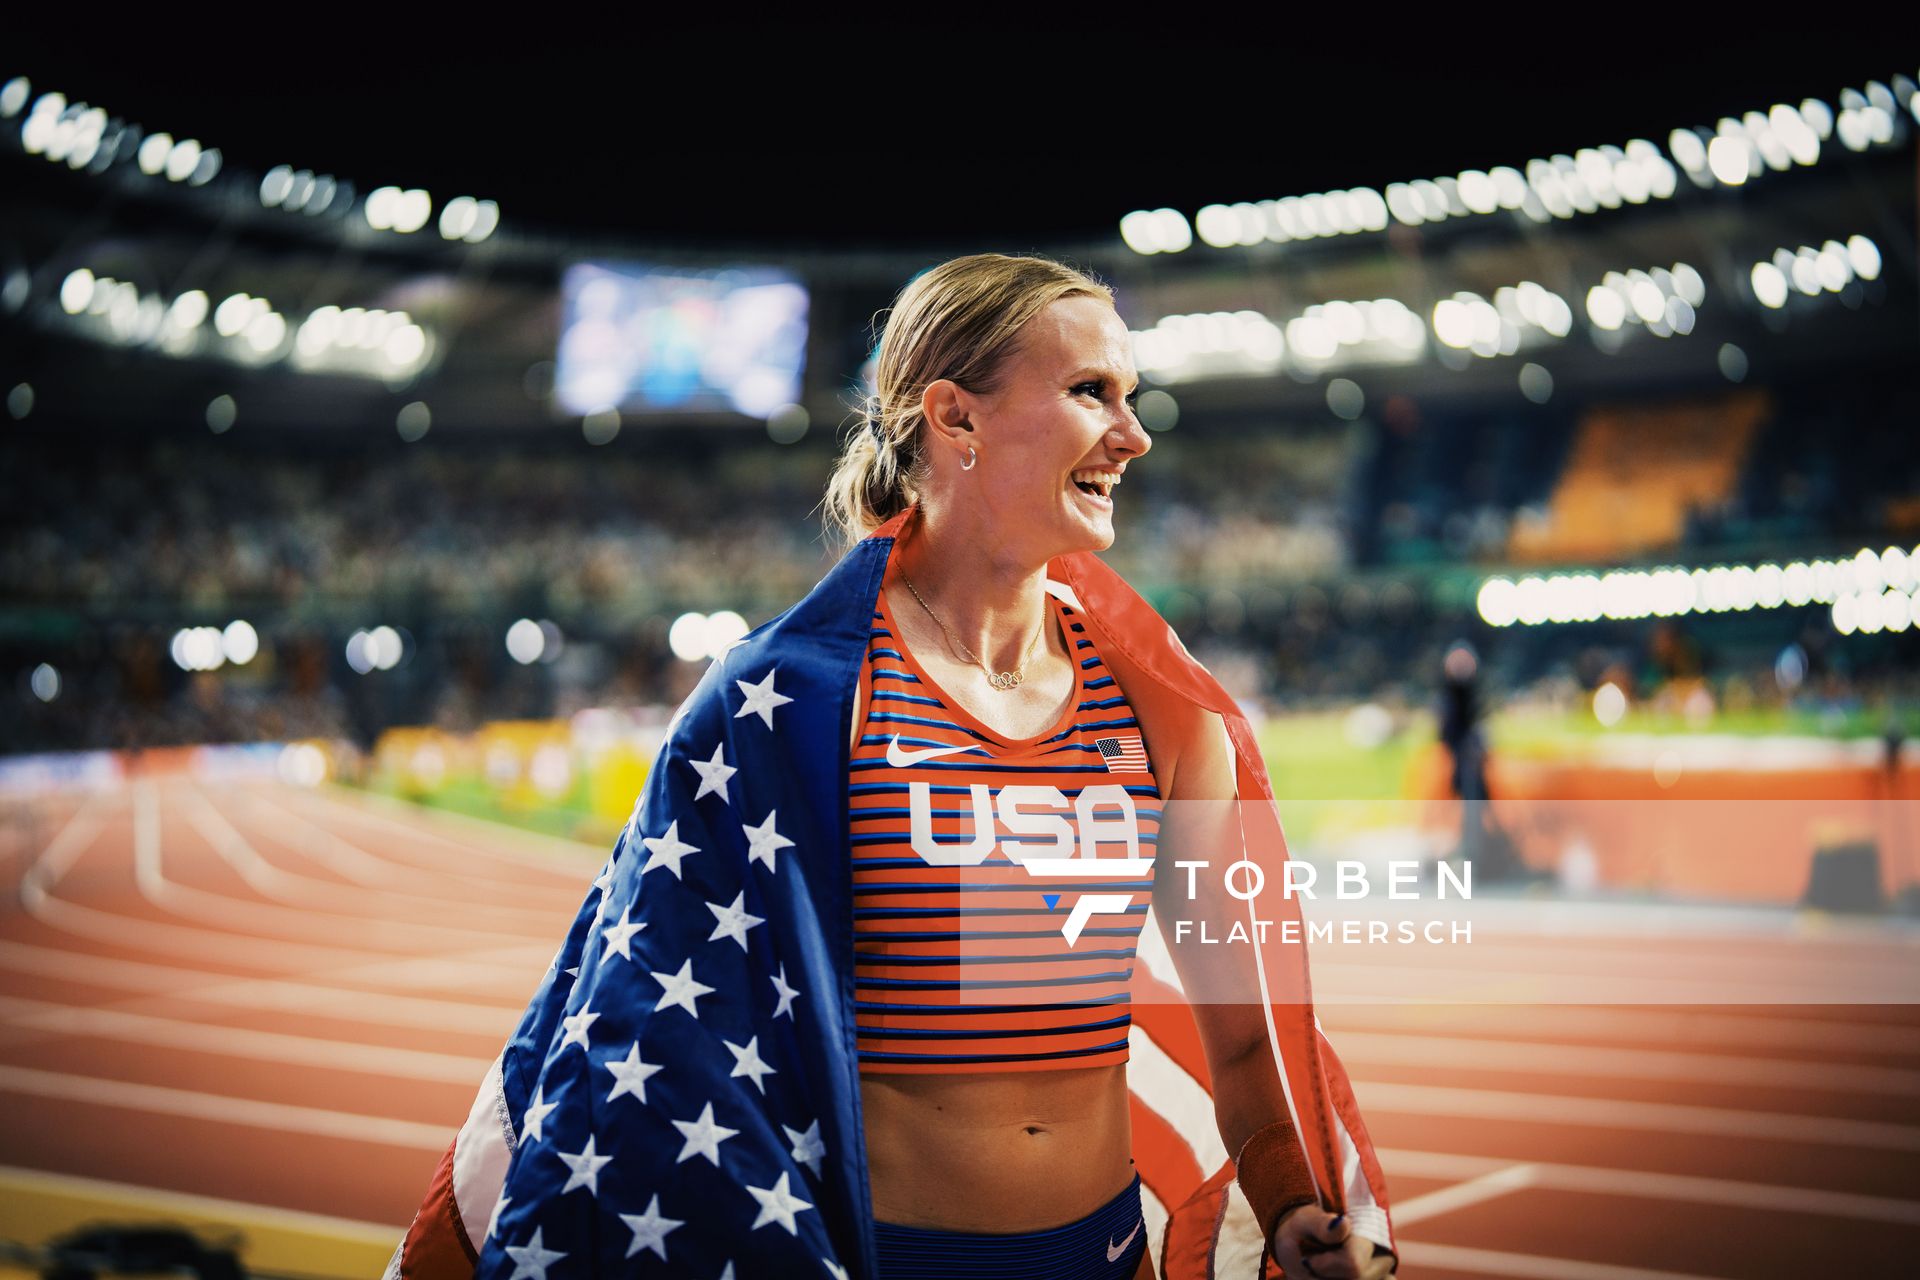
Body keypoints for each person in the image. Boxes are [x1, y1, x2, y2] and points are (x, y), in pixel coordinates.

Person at [389, 254, 1393, 1278]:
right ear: (955, 418)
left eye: (1130, 397)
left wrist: (1284, 1203)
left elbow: (1238, 1042)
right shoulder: (784, 703)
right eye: (1093, 392)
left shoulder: (1167, 717)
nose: (1132, 436)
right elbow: (656, 1033)